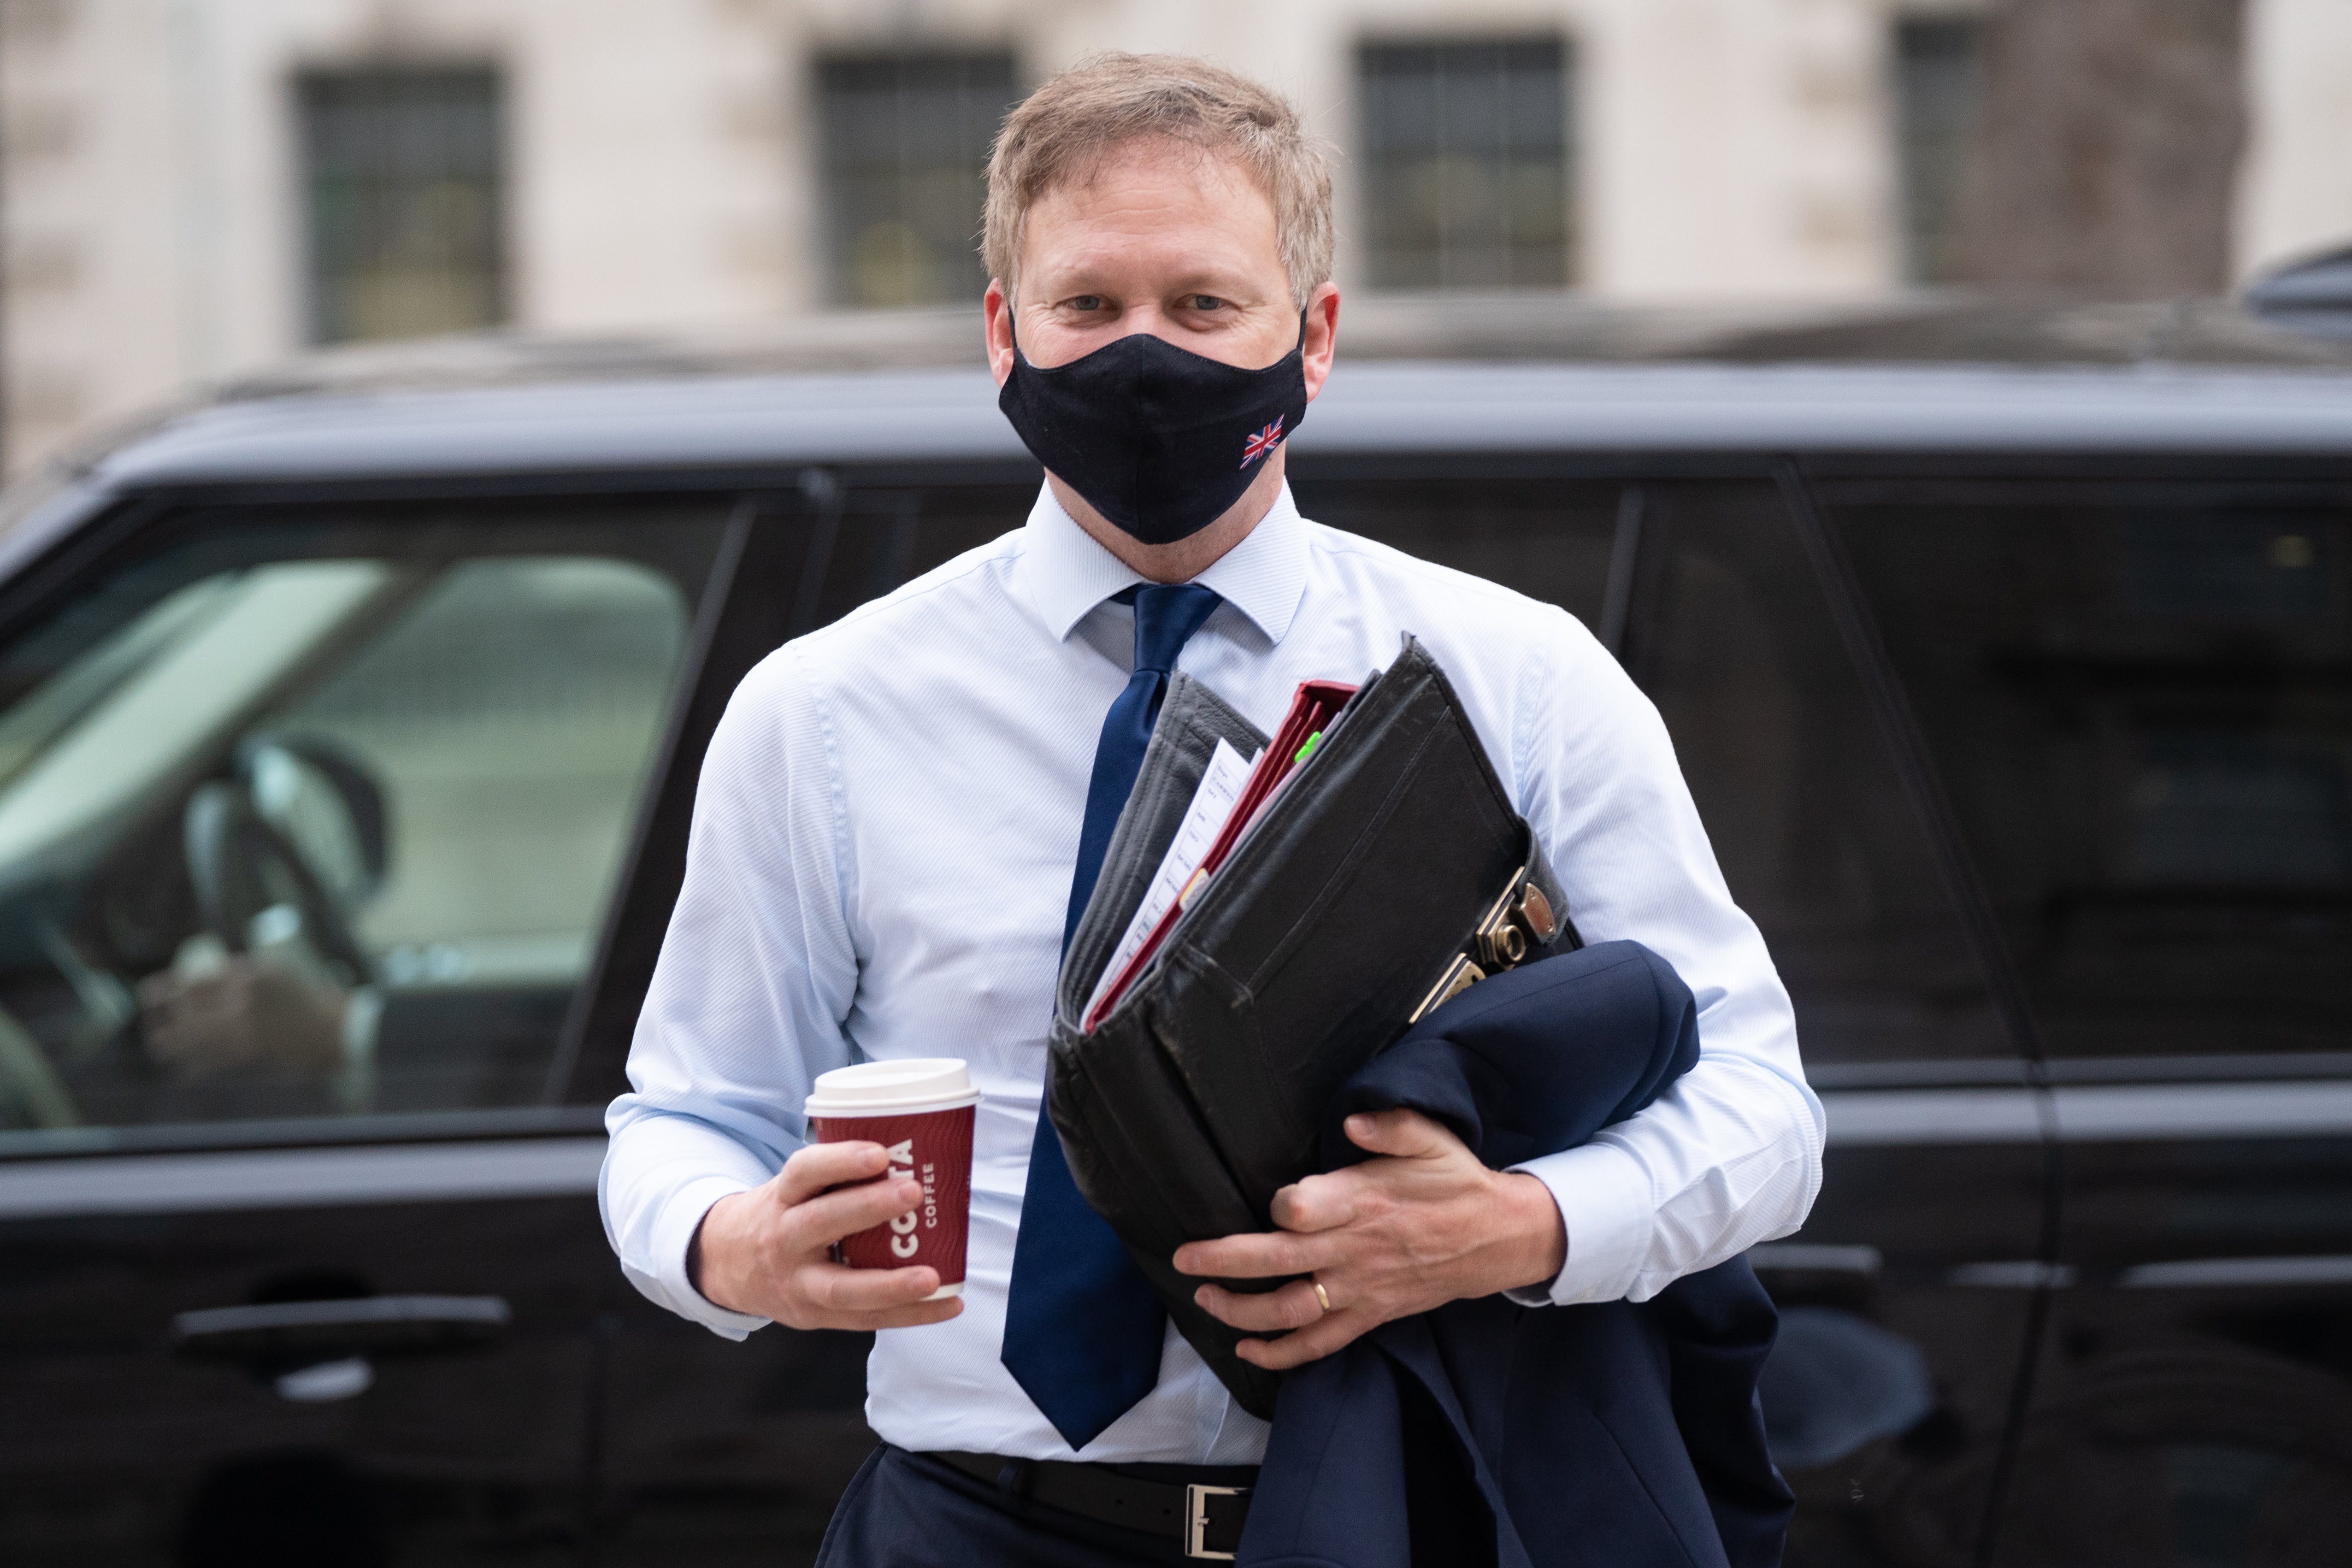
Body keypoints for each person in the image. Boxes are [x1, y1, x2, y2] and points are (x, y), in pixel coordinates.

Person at [601, 53, 1822, 1566]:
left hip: (1397, 1509)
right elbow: (684, 1116)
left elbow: (1767, 1113)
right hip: (971, 1527)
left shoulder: (1511, 675)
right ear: (1002, 335)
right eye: (1088, 307)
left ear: (1312, 339)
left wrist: (1515, 1226)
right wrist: (734, 1246)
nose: (1142, 357)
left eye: (1202, 306)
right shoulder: (825, 711)